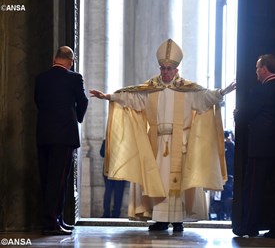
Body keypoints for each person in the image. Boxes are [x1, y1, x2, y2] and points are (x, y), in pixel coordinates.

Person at [90, 39, 236, 232]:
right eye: (163, 68)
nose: (165, 72)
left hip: (181, 143)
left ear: (176, 70)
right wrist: (109, 96)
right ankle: (159, 219)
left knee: (178, 183)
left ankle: (177, 219)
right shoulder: (151, 89)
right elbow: (131, 98)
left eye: (169, 68)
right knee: (157, 181)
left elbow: (206, 98)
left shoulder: (188, 90)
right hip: (157, 142)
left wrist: (222, 91)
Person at [232, 54, 275, 238]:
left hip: (260, 147)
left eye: (258, 68)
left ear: (265, 69)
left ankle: (249, 226)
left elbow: (245, 115)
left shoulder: (259, 91)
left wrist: (237, 113)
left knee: (254, 188)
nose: (256, 72)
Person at [34, 46, 89, 235]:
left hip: (43, 135)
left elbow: (38, 102)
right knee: (59, 180)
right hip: (64, 136)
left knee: (47, 177)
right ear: (70, 61)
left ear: (54, 58)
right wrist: (77, 118)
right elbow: (83, 101)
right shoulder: (74, 78)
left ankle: (54, 219)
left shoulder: (41, 78)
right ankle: (52, 222)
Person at [99, 139, 126, 218]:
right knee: (111, 192)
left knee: (116, 192)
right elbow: (102, 153)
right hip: (111, 170)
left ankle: (113, 213)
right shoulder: (107, 140)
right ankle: (109, 213)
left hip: (117, 170)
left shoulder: (122, 141)